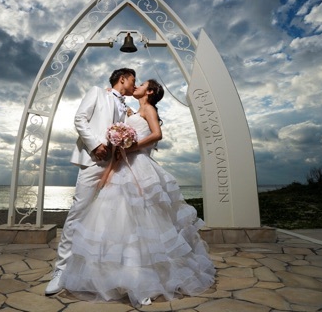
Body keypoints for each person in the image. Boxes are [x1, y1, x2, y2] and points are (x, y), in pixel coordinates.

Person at [57, 79, 216, 307]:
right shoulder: (132, 111)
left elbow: (157, 134)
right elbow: (121, 133)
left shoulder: (149, 108)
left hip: (140, 166)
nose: (137, 86)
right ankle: (119, 277)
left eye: (142, 84)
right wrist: (109, 171)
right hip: (123, 166)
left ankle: (145, 281)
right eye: (136, 81)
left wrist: (131, 146)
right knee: (118, 221)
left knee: (143, 221)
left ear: (149, 91)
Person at [45, 68, 136, 296]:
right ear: (122, 79)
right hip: (94, 160)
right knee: (79, 211)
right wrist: (95, 144)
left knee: (113, 216)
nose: (135, 84)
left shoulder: (127, 108)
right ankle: (61, 269)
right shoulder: (97, 92)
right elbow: (80, 119)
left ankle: (104, 270)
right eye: (133, 80)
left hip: (117, 166)